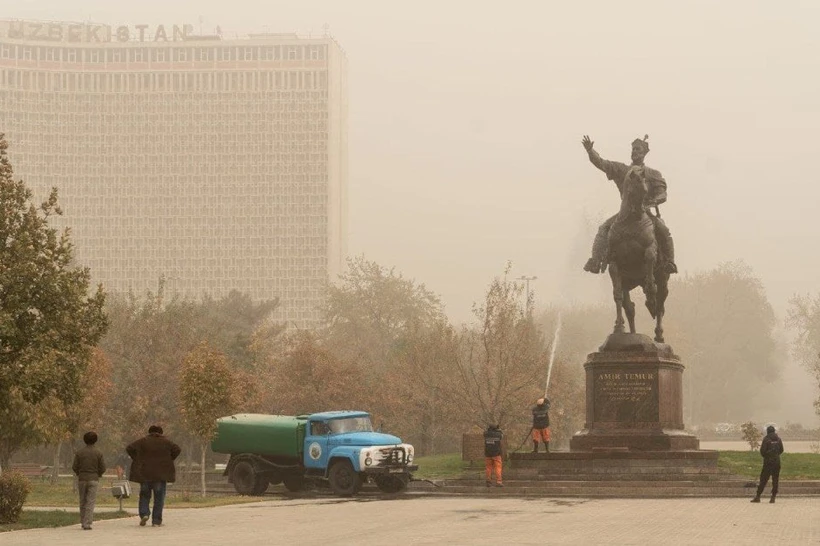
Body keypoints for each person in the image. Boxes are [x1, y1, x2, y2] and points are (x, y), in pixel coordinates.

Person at [581, 135, 677, 275]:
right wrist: (590, 151)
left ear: (644, 153)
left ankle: (669, 262)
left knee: (664, 230)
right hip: (624, 213)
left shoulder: (653, 174)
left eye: (638, 149)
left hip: (645, 213)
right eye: (633, 149)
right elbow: (602, 163)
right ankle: (596, 261)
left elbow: (663, 194)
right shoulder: (622, 169)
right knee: (603, 228)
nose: (634, 152)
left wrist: (653, 202)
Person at [127, 425, 181, 527]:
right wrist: (169, 459)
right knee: (159, 498)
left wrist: (137, 458)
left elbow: (129, 448)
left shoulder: (143, 441)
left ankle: (144, 514)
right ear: (161, 433)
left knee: (144, 495)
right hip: (161, 475)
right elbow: (177, 449)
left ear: (149, 432)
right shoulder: (166, 442)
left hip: (145, 474)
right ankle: (156, 521)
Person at [72, 431, 106, 530]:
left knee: (82, 501)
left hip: (82, 479)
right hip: (94, 479)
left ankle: (83, 521)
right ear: (96, 440)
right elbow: (103, 468)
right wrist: (98, 474)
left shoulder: (79, 452)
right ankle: (87, 523)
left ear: (84, 440)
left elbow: (74, 467)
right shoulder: (98, 453)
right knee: (90, 502)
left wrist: (79, 473)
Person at [751, 425, 784, 504]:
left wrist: (767, 456)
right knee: (775, 480)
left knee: (763, 479)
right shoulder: (778, 439)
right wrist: (776, 455)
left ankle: (758, 496)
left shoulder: (766, 439)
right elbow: (781, 450)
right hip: (777, 462)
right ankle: (773, 497)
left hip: (768, 462)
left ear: (767, 431)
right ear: (774, 431)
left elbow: (762, 451)